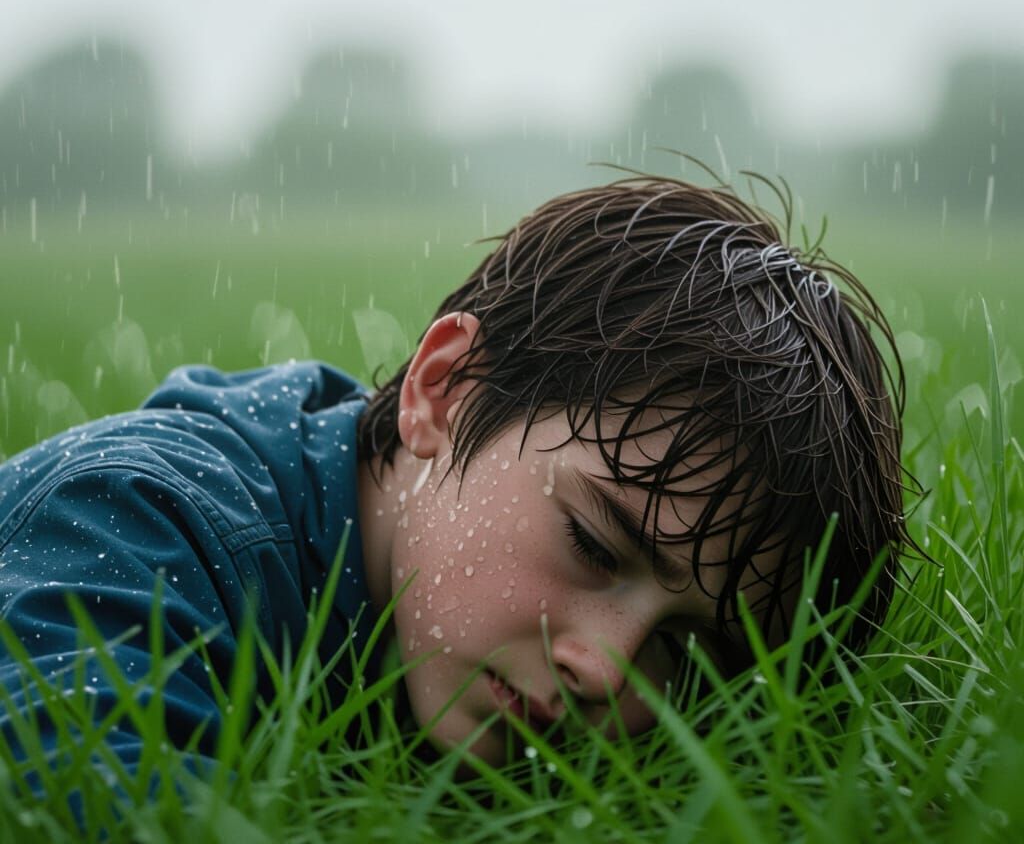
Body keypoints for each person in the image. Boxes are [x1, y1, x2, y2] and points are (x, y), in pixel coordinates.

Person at [0, 174, 911, 782]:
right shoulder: (136, 520)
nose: (602, 669)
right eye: (593, 544)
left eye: (683, 648)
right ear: (443, 391)